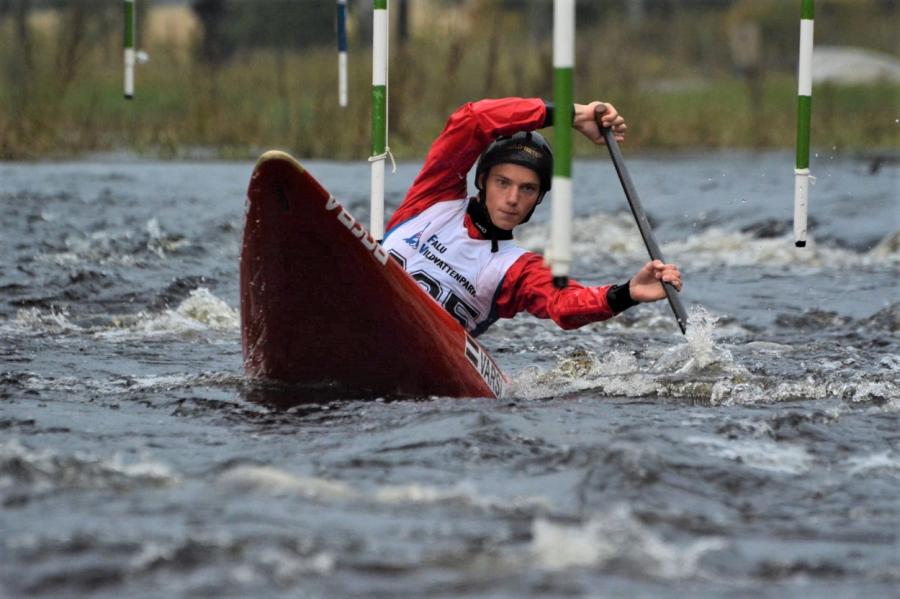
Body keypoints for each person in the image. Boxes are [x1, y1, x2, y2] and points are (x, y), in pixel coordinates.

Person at [382, 97, 682, 336]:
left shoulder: (517, 271)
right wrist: (571, 115)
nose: (512, 199)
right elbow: (472, 120)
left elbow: (563, 304)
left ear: (538, 198)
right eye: (503, 183)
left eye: (527, 189)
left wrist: (627, 293)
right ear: (483, 181)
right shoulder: (433, 198)